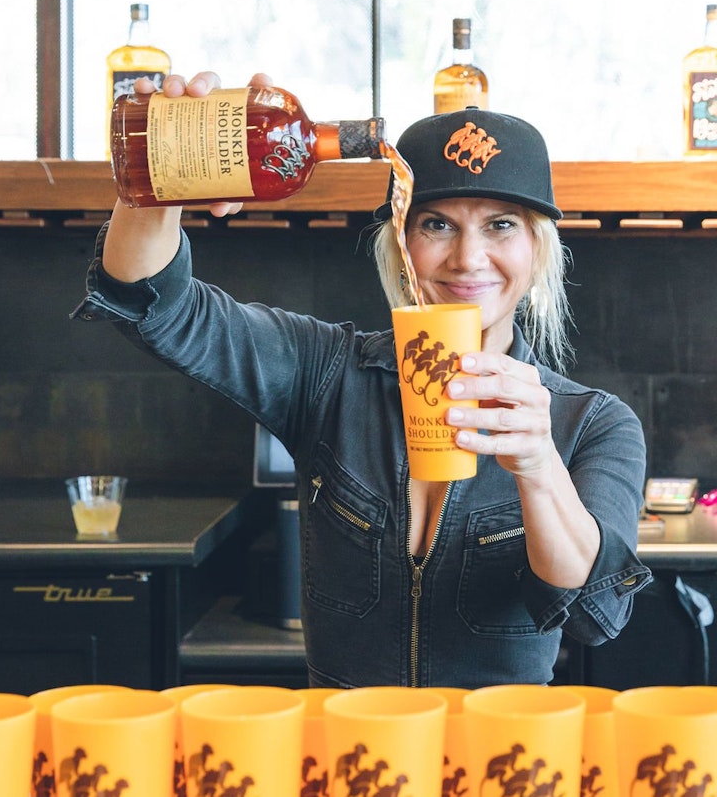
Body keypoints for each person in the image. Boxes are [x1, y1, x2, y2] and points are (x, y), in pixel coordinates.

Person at [73, 70, 651, 688]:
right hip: (347, 761)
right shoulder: (326, 373)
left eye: (501, 224)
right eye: (436, 224)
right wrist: (163, 175)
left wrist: (538, 467)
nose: (467, 257)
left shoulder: (592, 423)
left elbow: (595, 612)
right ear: (400, 245)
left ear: (538, 251)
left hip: (500, 768)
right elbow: (156, 305)